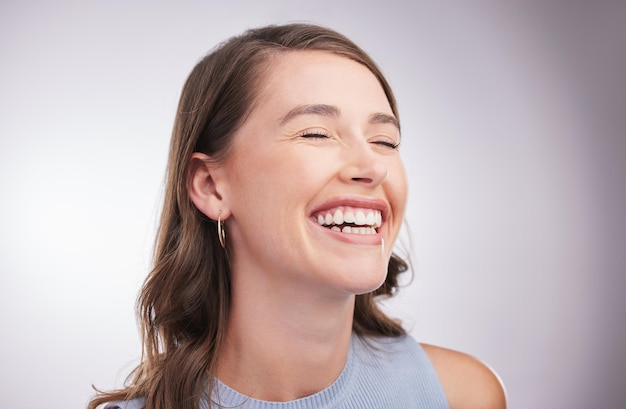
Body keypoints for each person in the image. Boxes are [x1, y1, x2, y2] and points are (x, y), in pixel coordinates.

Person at [88, 23, 506, 409]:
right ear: (211, 187)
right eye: (317, 134)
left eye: (385, 141)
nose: (373, 166)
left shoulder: (461, 396)